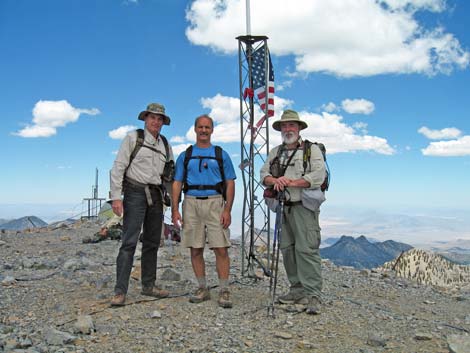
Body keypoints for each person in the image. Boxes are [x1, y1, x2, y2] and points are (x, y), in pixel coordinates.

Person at [260, 109, 326, 315]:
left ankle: (313, 295)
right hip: (283, 208)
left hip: (304, 207)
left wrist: (292, 182)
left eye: (292, 125)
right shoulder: (276, 152)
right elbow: (264, 174)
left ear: (299, 128)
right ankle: (297, 290)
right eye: (284, 126)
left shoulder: (311, 150)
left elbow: (318, 175)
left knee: (307, 250)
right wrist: (275, 180)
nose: (288, 129)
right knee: (288, 249)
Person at [109, 103, 174, 306]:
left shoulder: (165, 143)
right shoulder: (132, 137)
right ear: (145, 119)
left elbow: (170, 172)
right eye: (152, 117)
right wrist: (116, 197)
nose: (156, 121)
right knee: (129, 242)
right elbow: (118, 167)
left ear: (163, 122)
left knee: (152, 242)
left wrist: (173, 200)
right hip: (134, 193)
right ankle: (120, 291)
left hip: (156, 195)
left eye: (159, 118)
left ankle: (148, 286)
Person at [171, 114, 236, 308]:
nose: (204, 131)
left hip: (215, 202)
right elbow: (177, 183)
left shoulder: (221, 154)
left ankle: (224, 290)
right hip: (191, 202)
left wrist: (228, 209)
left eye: (207, 127)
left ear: (212, 130)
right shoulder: (186, 155)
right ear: (195, 129)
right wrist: (175, 209)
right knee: (195, 248)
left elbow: (230, 183)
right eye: (200, 127)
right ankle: (202, 287)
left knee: (221, 248)